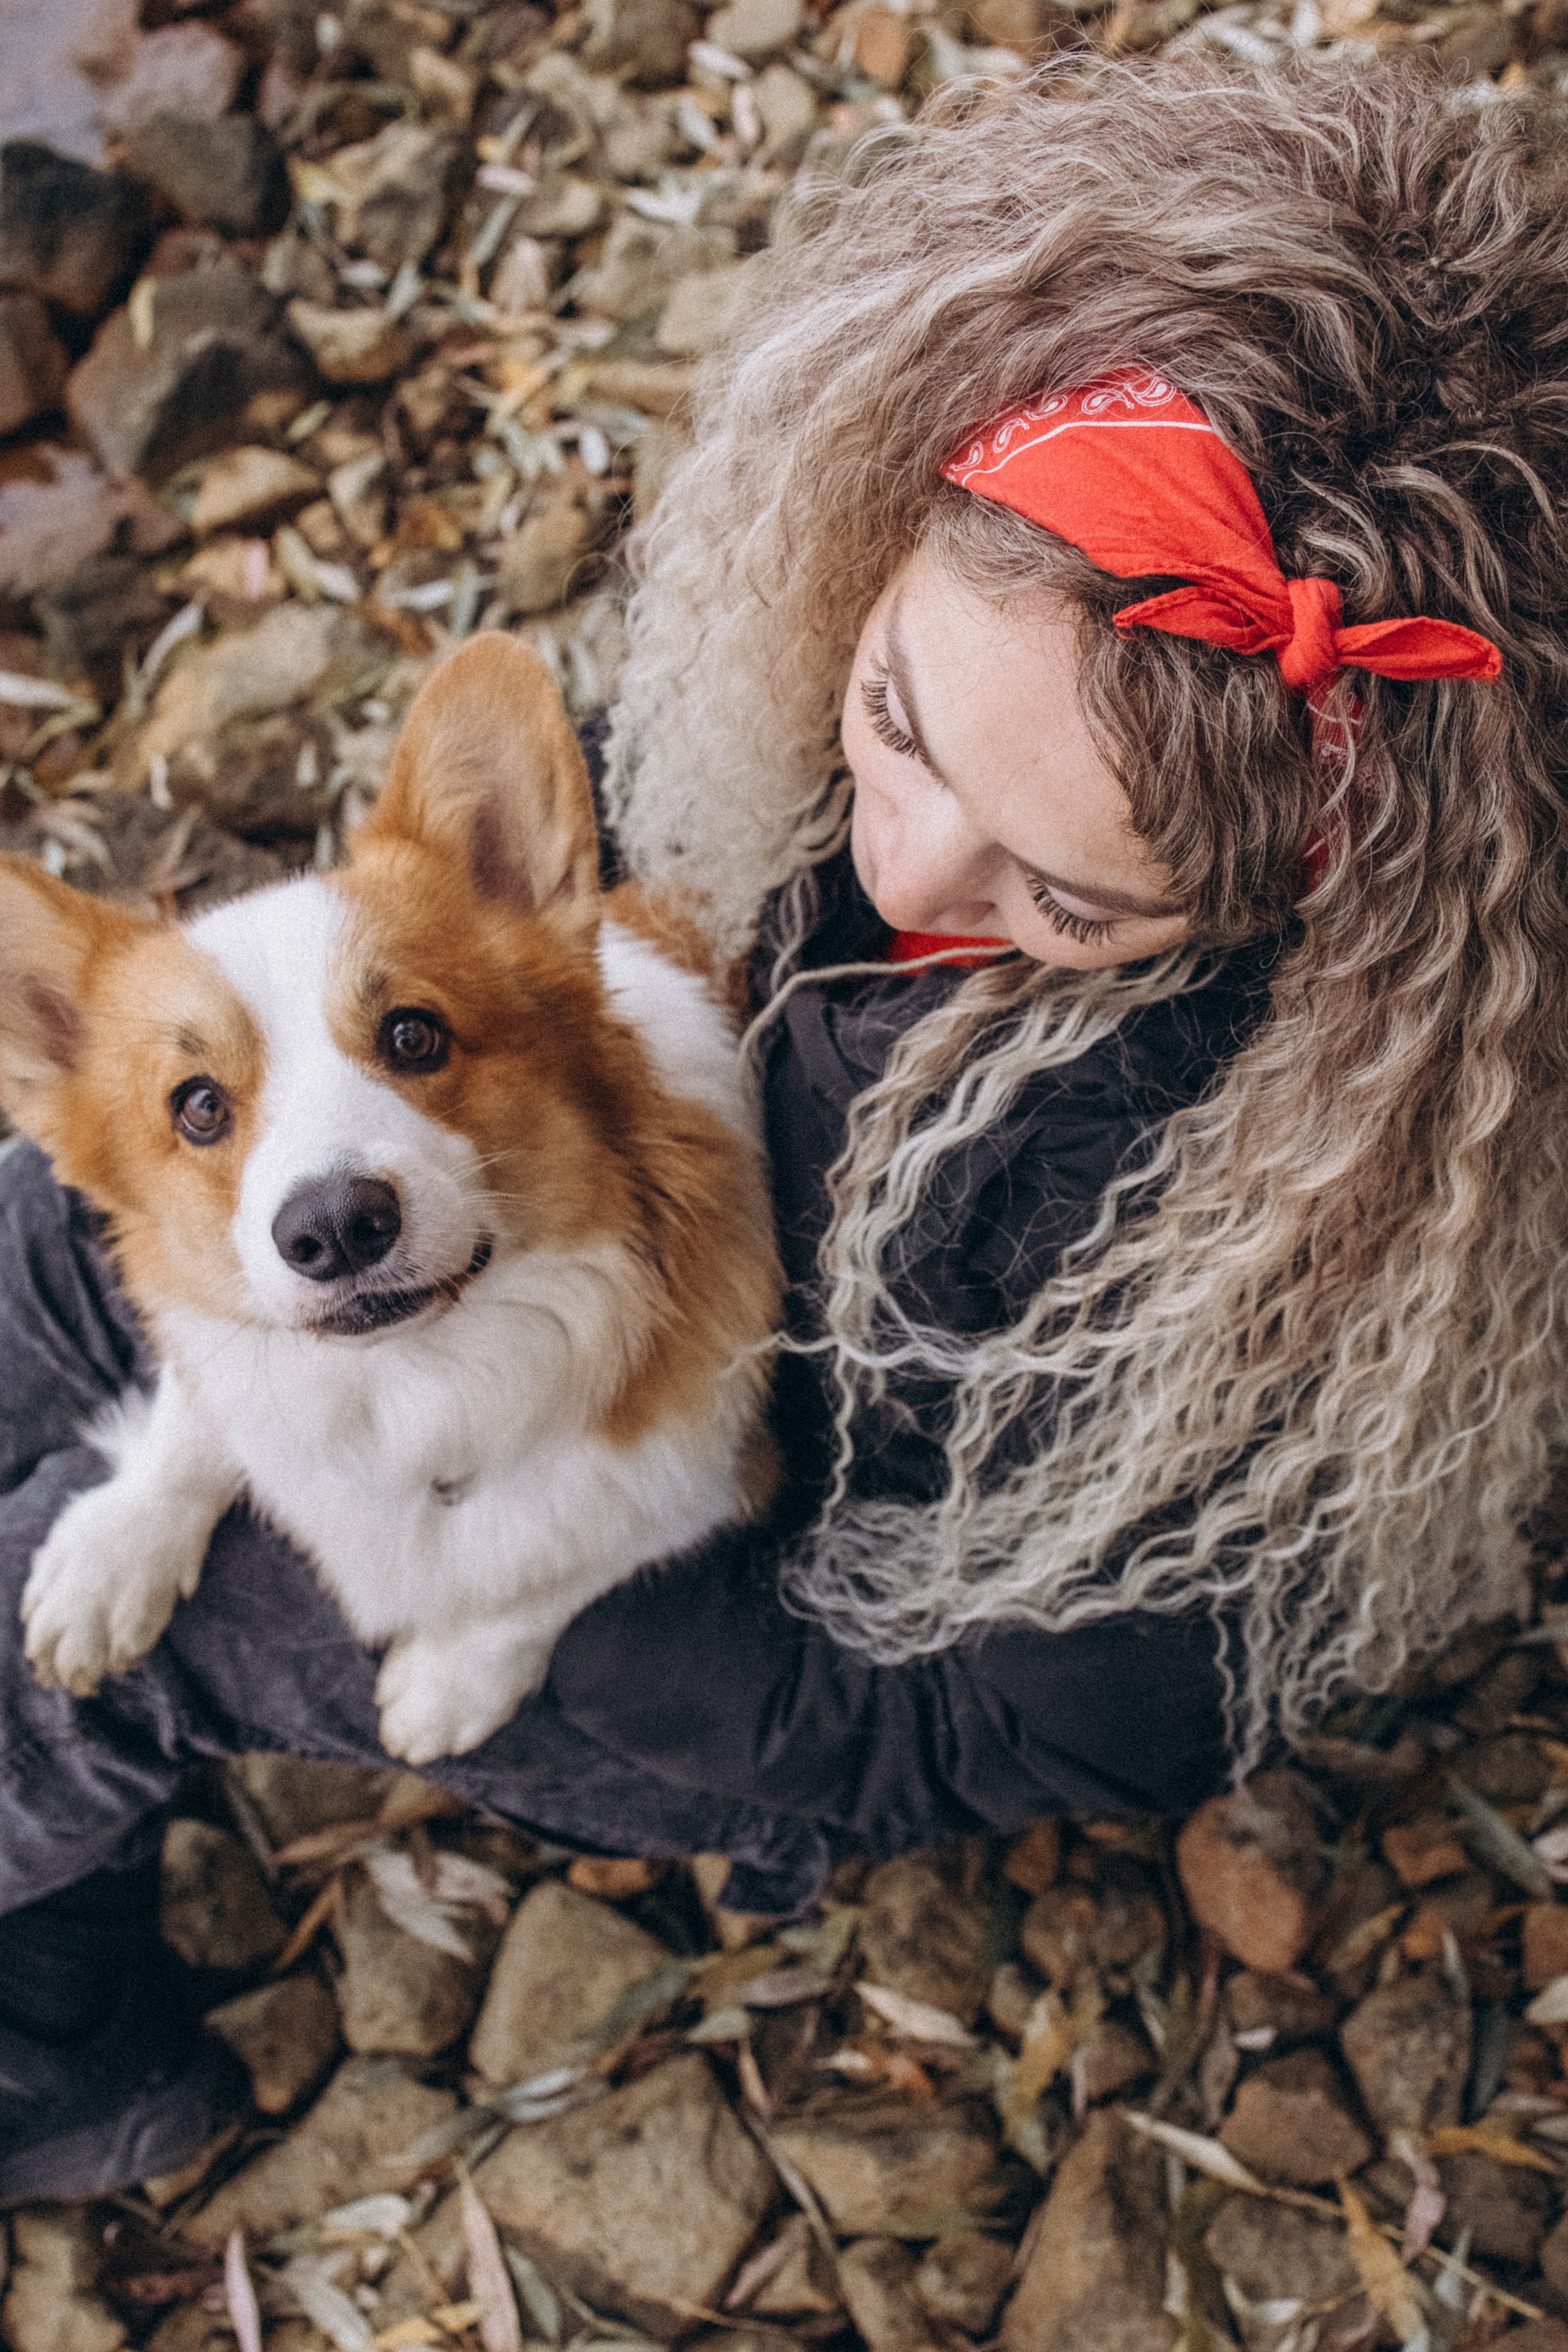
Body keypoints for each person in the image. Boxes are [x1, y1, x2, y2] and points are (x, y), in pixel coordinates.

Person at [4, 54, 1567, 2203]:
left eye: (1072, 902)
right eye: (899, 722)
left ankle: (60, 2049)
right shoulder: (885, 639)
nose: (910, 876)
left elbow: (1032, 1724)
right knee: (52, 1249)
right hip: (555, 1248)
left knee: (73, 1647)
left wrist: (520, 1596)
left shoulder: (1268, 1241)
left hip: (744, 1615)